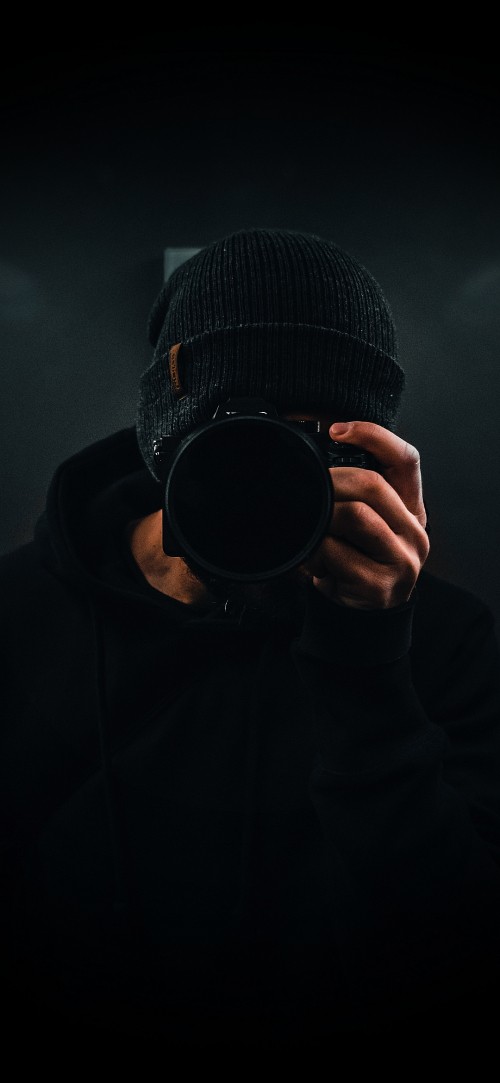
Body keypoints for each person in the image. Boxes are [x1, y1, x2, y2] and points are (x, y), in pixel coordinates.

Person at [1, 227, 500, 1049]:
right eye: (242, 428)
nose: (269, 469)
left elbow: (452, 938)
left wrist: (368, 658)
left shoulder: (444, 644)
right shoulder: (19, 615)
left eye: (316, 439)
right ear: (168, 433)